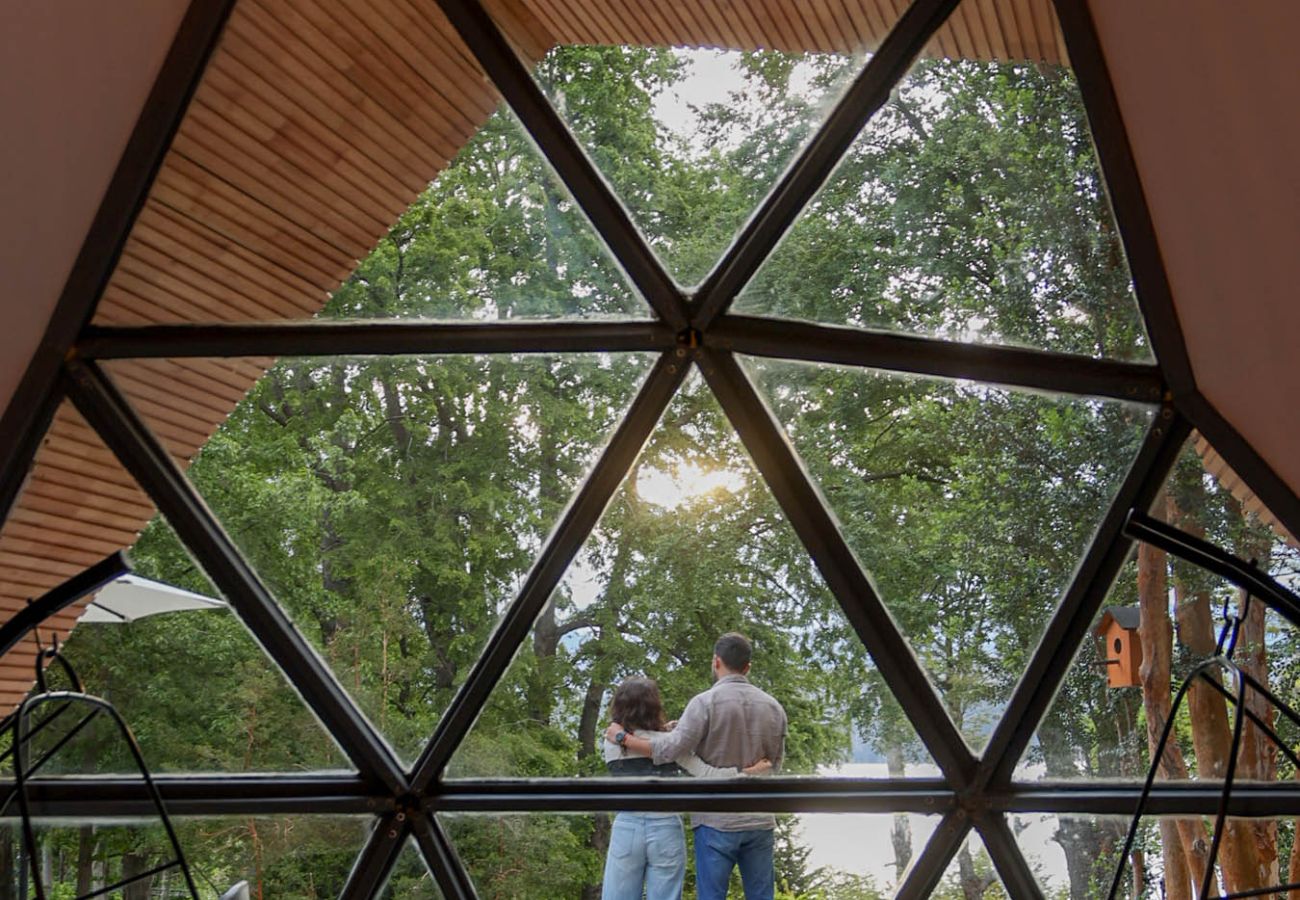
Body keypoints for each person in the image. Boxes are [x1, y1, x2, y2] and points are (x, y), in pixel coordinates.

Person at [606, 633, 787, 900]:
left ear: (716, 661)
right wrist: (749, 773)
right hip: (759, 819)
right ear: (747, 666)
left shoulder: (703, 704)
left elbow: (670, 748)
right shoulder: (775, 708)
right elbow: (775, 765)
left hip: (713, 821)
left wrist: (624, 737)